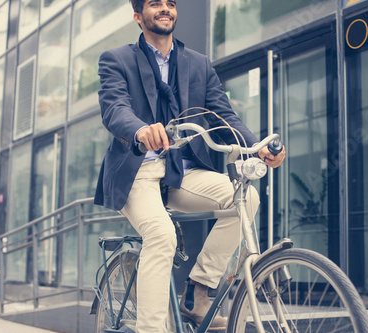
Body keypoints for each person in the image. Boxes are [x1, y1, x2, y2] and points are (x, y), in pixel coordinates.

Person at [94, 0, 286, 331]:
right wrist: (141, 129)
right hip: (138, 170)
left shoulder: (197, 63)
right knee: (162, 235)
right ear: (139, 16)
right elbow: (114, 108)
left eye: (170, 3)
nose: (165, 8)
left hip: (183, 172)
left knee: (246, 199)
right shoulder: (117, 59)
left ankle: (198, 292)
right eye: (155, 3)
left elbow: (223, 114)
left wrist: (255, 149)